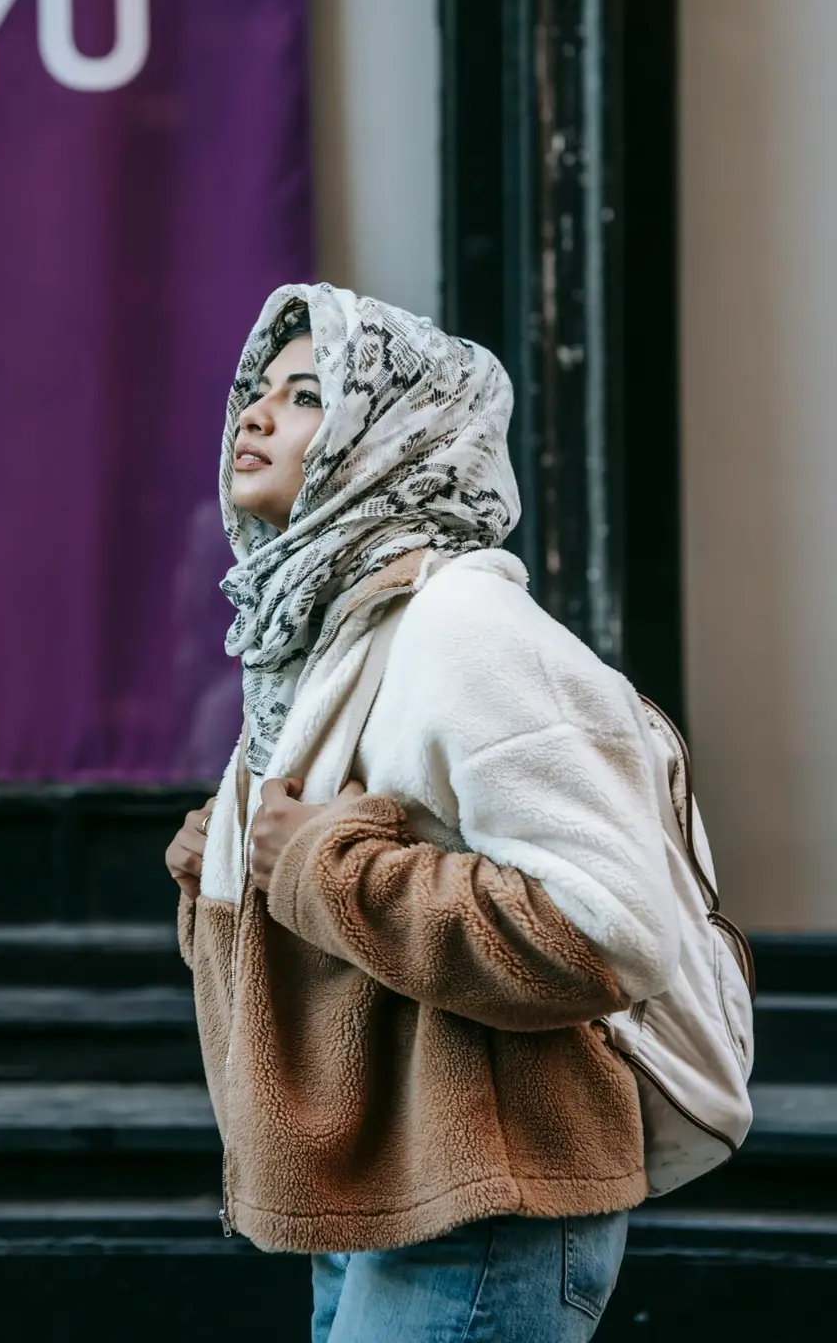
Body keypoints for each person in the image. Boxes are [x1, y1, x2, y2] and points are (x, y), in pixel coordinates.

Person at [164, 283, 679, 1343]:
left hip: (483, 1205)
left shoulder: (461, 622)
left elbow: (606, 930)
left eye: (305, 396)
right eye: (255, 393)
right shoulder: (323, 637)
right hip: (382, 1195)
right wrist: (235, 854)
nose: (253, 416)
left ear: (389, 436)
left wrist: (322, 868)